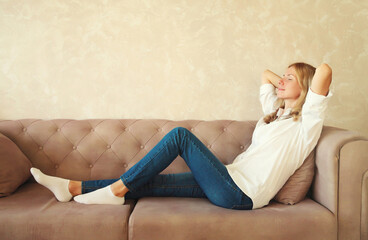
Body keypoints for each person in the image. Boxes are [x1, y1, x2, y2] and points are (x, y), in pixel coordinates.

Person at [30, 62, 332, 210]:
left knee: (180, 136)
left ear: (305, 87)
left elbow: (325, 71)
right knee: (154, 183)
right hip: (227, 178)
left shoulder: (306, 123)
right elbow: (266, 76)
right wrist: (286, 80)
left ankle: (116, 190)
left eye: (290, 78)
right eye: (284, 76)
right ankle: (71, 187)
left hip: (241, 194)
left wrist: (302, 77)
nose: (281, 81)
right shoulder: (275, 114)